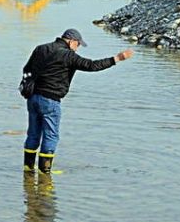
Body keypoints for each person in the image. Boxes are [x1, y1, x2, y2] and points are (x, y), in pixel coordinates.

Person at [22, 28, 133, 174]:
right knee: (51, 135)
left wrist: (27, 87)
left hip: (33, 98)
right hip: (50, 100)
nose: (77, 48)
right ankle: (45, 172)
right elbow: (91, 66)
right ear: (71, 41)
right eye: (78, 45)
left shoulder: (40, 49)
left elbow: (26, 69)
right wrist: (117, 59)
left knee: (33, 133)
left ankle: (28, 169)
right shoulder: (68, 55)